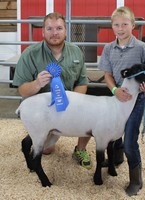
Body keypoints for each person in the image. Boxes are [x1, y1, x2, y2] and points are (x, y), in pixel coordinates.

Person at [13, 12, 92, 170]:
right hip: (43, 110)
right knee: (46, 150)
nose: (54, 33)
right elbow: (22, 90)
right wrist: (37, 83)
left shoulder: (76, 51)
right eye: (49, 28)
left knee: (91, 114)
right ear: (43, 31)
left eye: (59, 28)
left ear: (65, 30)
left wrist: (76, 103)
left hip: (69, 104)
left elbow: (82, 82)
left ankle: (80, 149)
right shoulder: (29, 54)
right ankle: (43, 135)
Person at [98, 6, 145, 196]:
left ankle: (136, 181)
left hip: (135, 100)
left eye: (125, 24)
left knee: (130, 140)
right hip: (115, 98)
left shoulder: (141, 47)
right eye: (116, 25)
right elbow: (107, 75)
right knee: (113, 132)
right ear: (112, 26)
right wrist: (115, 90)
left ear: (133, 25)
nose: (120, 28)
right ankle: (117, 158)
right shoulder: (108, 48)